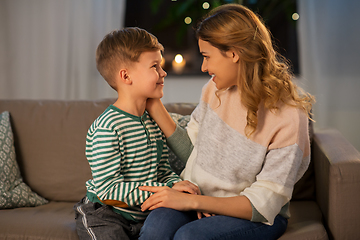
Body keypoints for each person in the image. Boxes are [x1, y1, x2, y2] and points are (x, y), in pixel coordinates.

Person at [139, 4, 315, 240]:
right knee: (154, 231)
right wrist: (153, 103)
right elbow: (193, 150)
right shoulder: (214, 89)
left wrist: (193, 201)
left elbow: (263, 204)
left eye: (207, 56)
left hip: (255, 216)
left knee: (189, 237)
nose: (204, 67)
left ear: (233, 53)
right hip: (199, 197)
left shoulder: (289, 115)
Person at [73, 27, 200, 240]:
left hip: (142, 213)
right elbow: (109, 189)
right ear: (126, 76)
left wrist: (174, 184)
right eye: (154, 66)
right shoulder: (108, 127)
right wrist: (164, 189)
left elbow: (162, 170)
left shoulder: (152, 122)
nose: (163, 72)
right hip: (106, 211)